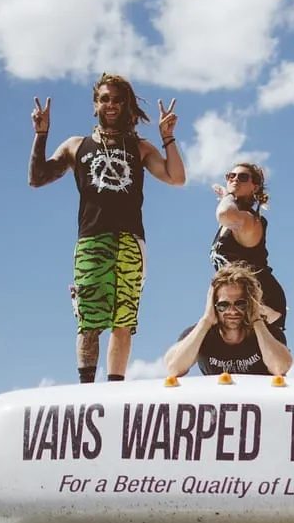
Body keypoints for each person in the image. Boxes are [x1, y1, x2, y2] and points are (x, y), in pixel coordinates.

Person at [28, 72, 187, 384]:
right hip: (91, 239)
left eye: (117, 100)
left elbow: (176, 178)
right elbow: (37, 178)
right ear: (95, 105)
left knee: (123, 320)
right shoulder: (76, 145)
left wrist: (167, 137)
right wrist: (41, 134)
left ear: (125, 105)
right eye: (104, 99)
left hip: (131, 241)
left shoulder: (139, 147)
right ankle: (87, 388)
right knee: (89, 320)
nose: (110, 105)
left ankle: (115, 387)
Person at [164, 261, 293, 377]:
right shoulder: (200, 334)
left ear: (250, 304)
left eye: (240, 303)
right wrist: (206, 320)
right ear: (213, 305)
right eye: (223, 305)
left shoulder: (269, 334)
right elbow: (174, 368)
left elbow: (280, 368)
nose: (232, 311)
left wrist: (256, 320)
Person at [209, 163, 288, 331]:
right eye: (231, 176)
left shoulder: (248, 220)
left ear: (255, 187)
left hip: (265, 303)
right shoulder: (231, 223)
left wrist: (228, 196)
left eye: (243, 177)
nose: (235, 180)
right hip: (240, 303)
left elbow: (224, 213)